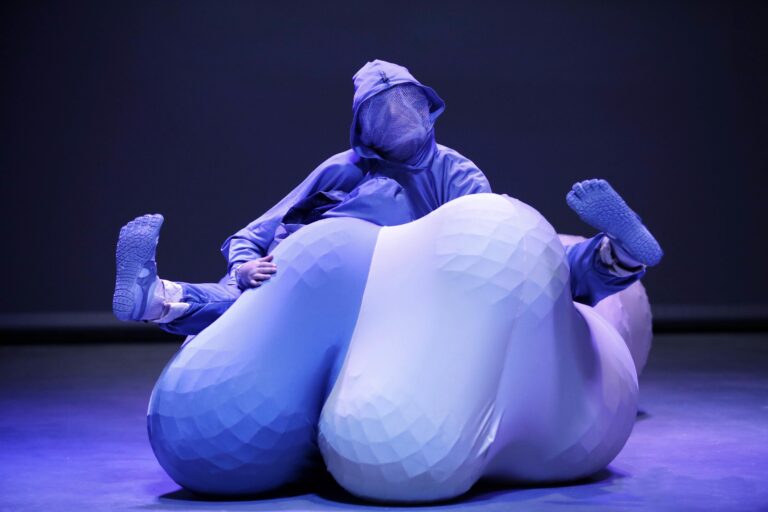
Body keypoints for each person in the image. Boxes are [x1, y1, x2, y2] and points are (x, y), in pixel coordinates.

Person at [112, 60, 662, 335]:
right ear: (363, 126)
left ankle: (616, 253)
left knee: (531, 265)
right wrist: (243, 264)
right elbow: (253, 233)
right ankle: (155, 297)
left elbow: (490, 243)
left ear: (426, 109)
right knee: (246, 306)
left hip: (412, 288)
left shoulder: (454, 172)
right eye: (382, 111)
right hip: (317, 280)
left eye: (404, 105)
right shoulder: (342, 170)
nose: (397, 118)